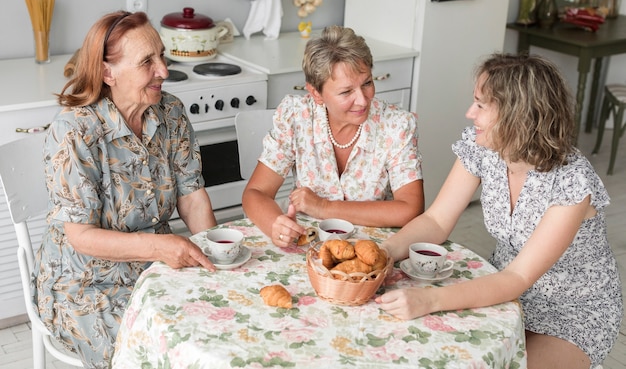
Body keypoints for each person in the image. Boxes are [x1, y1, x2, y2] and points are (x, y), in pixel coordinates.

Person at [377, 53, 623, 369]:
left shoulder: (571, 181)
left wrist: (430, 300)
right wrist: (384, 252)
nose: (469, 113)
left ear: (516, 115)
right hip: (501, 285)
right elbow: (436, 220)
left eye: (480, 105)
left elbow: (518, 276)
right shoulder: (482, 148)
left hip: (572, 311)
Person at [33, 10, 217, 368]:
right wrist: (161, 246)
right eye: (147, 61)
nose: (163, 70)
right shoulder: (74, 132)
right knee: (152, 354)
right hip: (85, 284)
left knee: (211, 330)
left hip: (155, 267)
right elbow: (82, 236)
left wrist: (215, 255)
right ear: (107, 72)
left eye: (161, 55)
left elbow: (192, 197)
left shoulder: (172, 114)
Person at [242, 25, 424, 246]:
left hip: (372, 250)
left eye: (367, 83)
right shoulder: (296, 117)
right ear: (316, 93)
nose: (363, 100)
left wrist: (323, 207)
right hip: (308, 246)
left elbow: (410, 209)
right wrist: (275, 225)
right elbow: (256, 193)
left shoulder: (396, 125)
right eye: (346, 92)